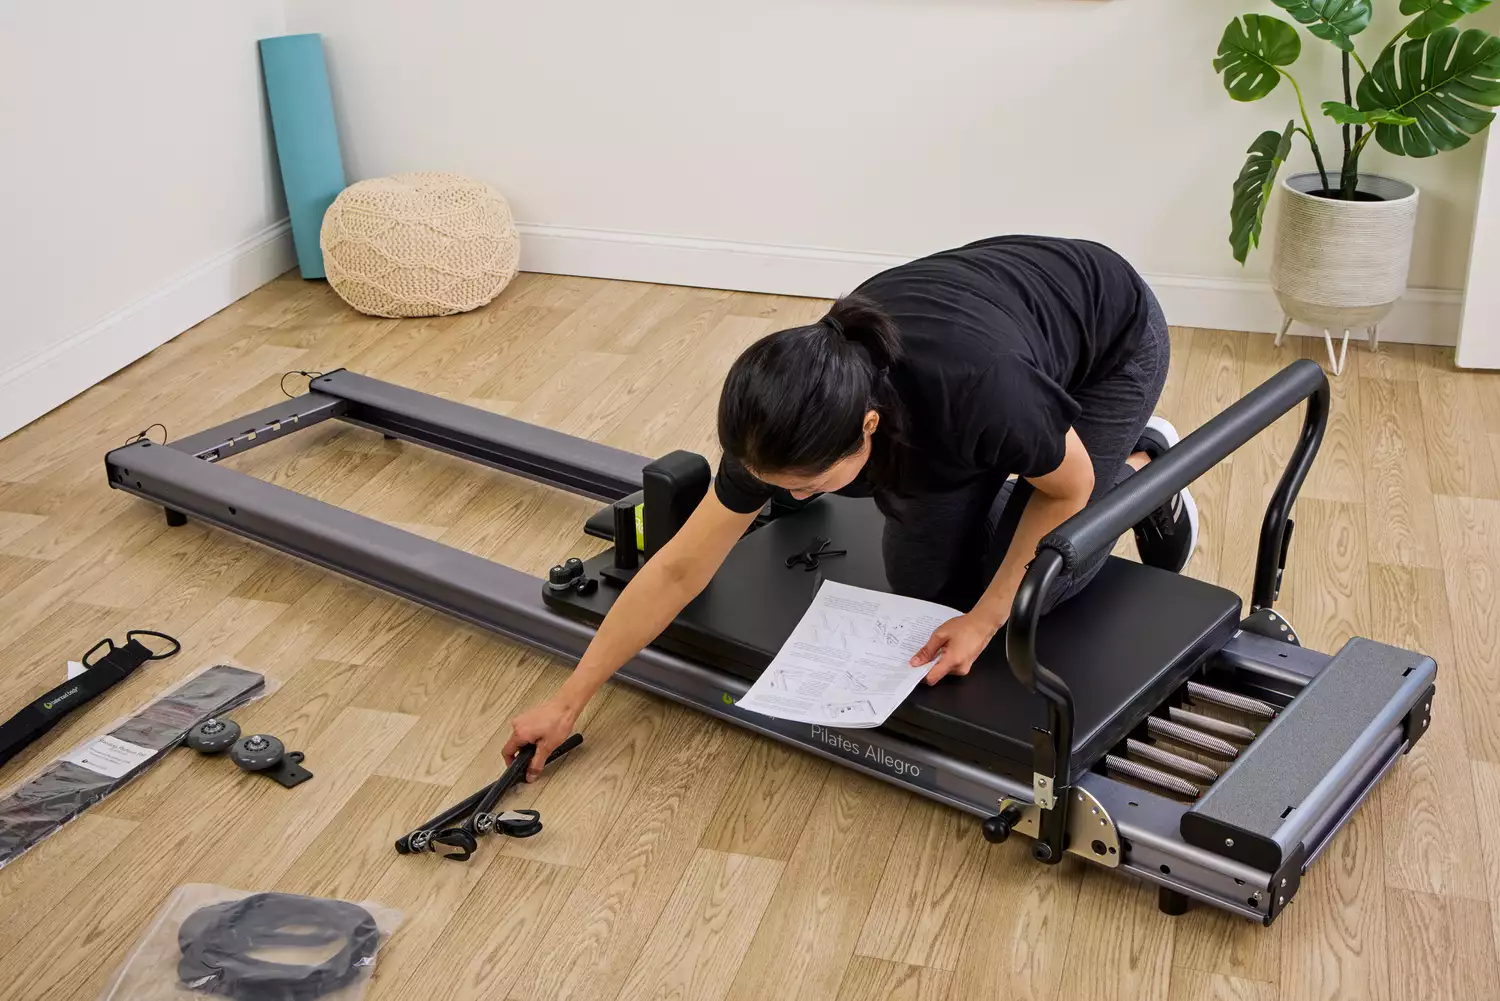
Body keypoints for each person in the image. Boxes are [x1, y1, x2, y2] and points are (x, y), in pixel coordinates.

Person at [502, 234, 1197, 779]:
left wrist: (987, 621)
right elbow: (680, 568)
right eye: (777, 485)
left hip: (1110, 339)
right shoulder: (777, 423)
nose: (791, 498)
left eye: (807, 484)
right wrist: (568, 699)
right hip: (998, 361)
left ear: (869, 427)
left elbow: (1066, 491)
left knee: (1030, 586)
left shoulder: (974, 391)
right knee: (930, 588)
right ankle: (1040, 458)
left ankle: (1145, 465)